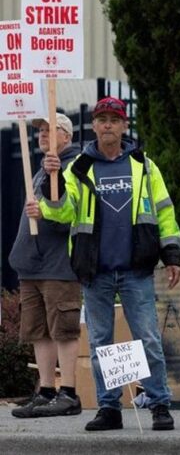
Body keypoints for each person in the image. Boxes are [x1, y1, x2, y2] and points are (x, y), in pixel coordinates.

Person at [37, 97, 180, 432]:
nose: (107, 126)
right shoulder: (78, 168)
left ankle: (160, 404)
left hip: (136, 269)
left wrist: (171, 254)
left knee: (148, 339)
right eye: (101, 120)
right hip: (95, 269)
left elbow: (164, 211)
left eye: (113, 120)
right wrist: (52, 184)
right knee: (101, 342)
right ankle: (109, 408)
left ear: (124, 126)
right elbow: (61, 215)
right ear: (94, 126)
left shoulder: (144, 165)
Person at [10, 114, 82, 418]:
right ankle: (47, 390)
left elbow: (73, 210)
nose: (42, 134)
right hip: (33, 264)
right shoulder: (40, 170)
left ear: (66, 136)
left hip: (58, 264)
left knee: (62, 329)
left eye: (50, 130)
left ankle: (68, 392)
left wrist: (47, 209)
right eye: (39, 130)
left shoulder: (73, 167)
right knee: (38, 330)